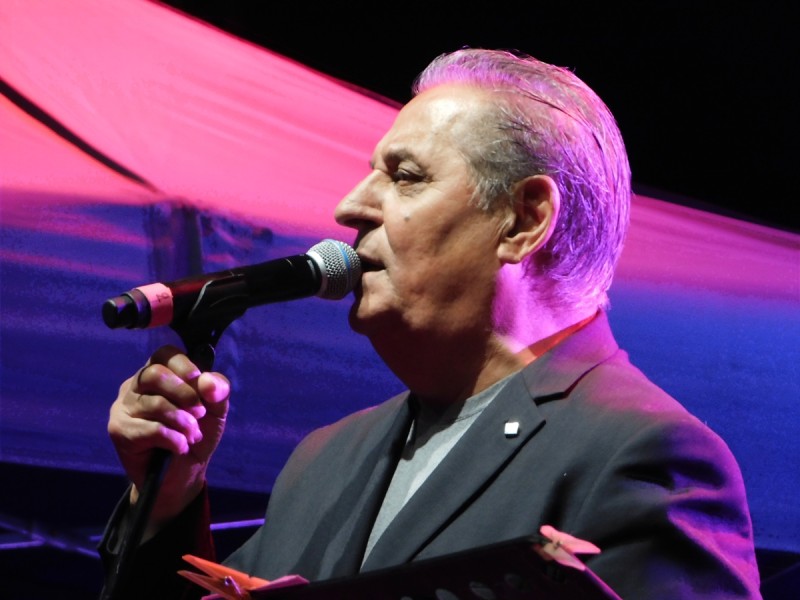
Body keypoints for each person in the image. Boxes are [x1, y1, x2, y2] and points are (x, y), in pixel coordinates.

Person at [101, 49, 761, 599]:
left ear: (524, 220)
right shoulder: (324, 460)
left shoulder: (644, 454)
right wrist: (169, 499)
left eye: (405, 177)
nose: (350, 206)